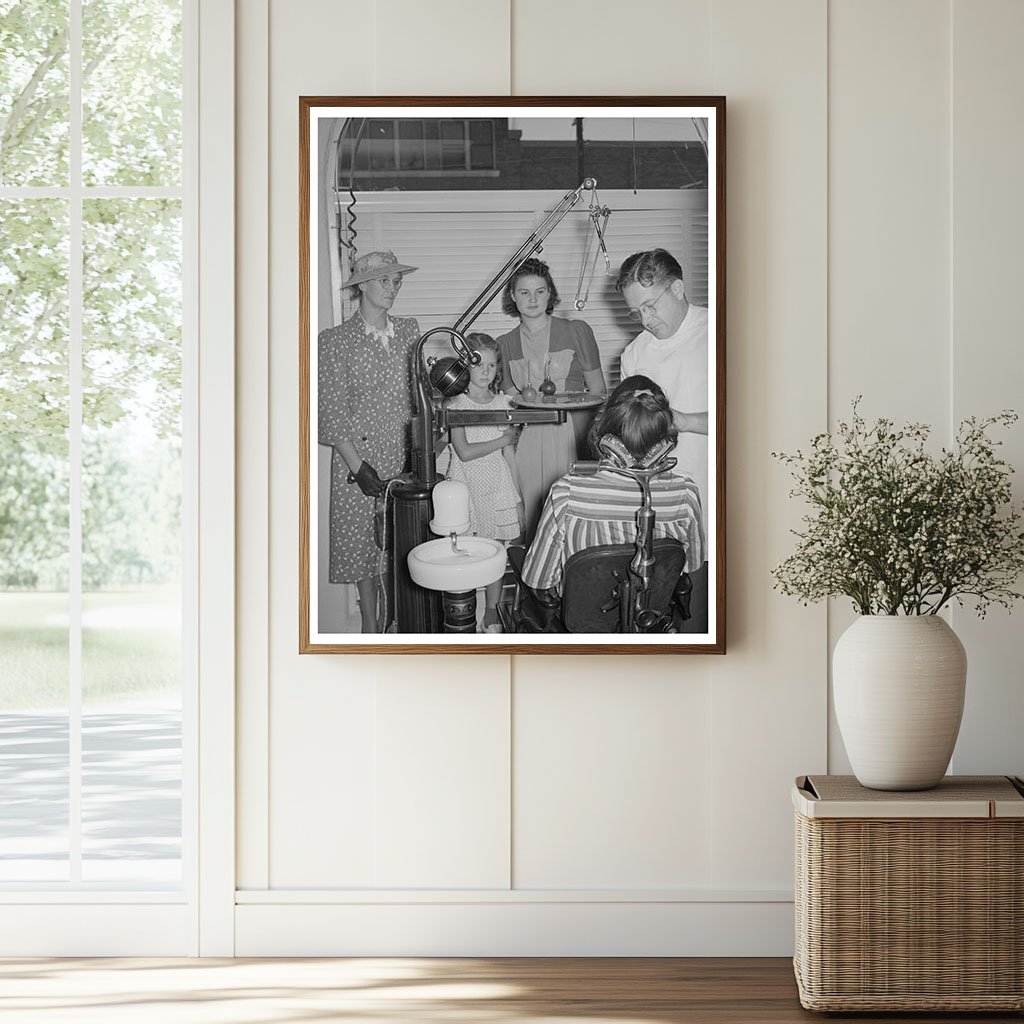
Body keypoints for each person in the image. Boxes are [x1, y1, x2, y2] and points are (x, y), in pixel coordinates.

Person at [520, 376, 704, 624]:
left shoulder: (566, 492)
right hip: (649, 626)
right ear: (664, 442)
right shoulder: (686, 494)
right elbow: (689, 566)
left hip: (579, 630)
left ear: (606, 435)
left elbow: (538, 580)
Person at [318, 251, 420, 633]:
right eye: (383, 281)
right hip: (358, 459)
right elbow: (331, 408)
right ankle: (370, 624)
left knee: (401, 543)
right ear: (361, 285)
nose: (392, 288)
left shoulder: (410, 330)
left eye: (396, 281)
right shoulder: (334, 340)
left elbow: (418, 392)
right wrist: (357, 466)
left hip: (403, 454)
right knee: (365, 547)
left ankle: (400, 621)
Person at [616, 248, 709, 631]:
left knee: (710, 607)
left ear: (678, 288)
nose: (645, 320)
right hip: (663, 502)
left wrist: (684, 420)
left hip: (716, 493)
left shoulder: (719, 331)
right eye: (636, 312)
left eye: (651, 306)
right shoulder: (634, 353)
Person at [496, 257, 606, 541]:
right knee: (537, 523)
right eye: (524, 292)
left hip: (573, 436)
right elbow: (511, 402)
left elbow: (598, 392)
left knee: (575, 522)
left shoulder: (576, 331)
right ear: (512, 296)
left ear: (550, 293)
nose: (532, 299)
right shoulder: (504, 344)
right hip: (530, 442)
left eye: (540, 291)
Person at [441, 333, 523, 632]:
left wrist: (518, 496)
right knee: (465, 551)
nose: (486, 371)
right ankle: (464, 614)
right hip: (467, 487)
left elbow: (510, 454)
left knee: (495, 554)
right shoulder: (456, 404)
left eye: (492, 365)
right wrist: (502, 438)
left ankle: (491, 613)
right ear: (466, 366)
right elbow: (463, 452)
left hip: (498, 485)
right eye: (479, 365)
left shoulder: (505, 403)